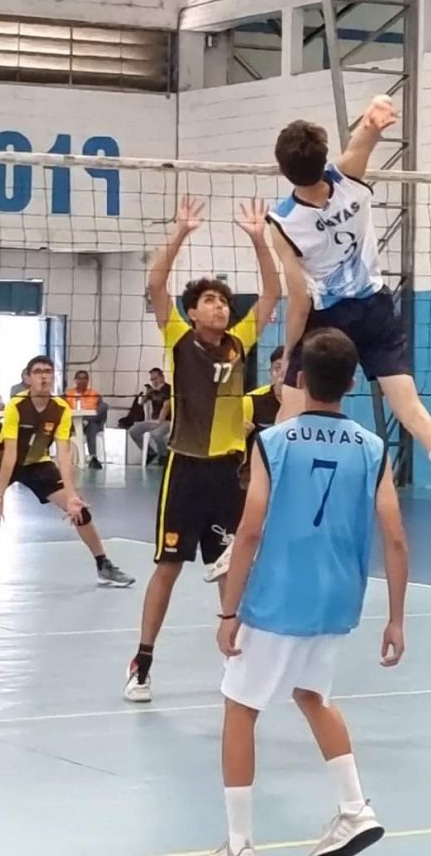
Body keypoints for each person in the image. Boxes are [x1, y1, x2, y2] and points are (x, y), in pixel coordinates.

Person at [266, 95, 431, 580]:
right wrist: (375, 118)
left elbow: (298, 300)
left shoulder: (283, 222)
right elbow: (363, 140)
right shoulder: (350, 180)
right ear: (322, 156)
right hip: (377, 309)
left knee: (286, 423)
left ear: (284, 169)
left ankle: (263, 525)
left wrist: (290, 352)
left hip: (329, 321)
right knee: (414, 413)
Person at [214, 328, 408, 856]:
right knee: (312, 695)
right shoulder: (373, 448)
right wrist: (395, 619)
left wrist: (229, 610)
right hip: (336, 600)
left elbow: (250, 530)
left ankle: (238, 844)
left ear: (299, 380)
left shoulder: (273, 442)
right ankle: (355, 809)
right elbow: (393, 535)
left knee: (239, 708)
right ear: (350, 383)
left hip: (278, 599)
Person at [124, 196, 281, 703]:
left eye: (221, 299)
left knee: (231, 569)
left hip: (226, 474)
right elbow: (155, 286)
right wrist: (181, 232)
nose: (218, 305)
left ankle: (235, 664)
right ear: (192, 313)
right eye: (208, 300)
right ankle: (142, 662)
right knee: (168, 569)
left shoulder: (238, 343)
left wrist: (260, 239)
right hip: (185, 470)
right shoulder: (178, 339)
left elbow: (273, 293)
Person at [0, 355, 134, 588]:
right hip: (3, 459)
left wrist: (72, 495)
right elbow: (10, 453)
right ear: (28, 377)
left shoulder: (61, 409)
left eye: (48, 371)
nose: (44, 376)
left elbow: (63, 454)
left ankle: (103, 565)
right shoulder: (17, 405)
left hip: (38, 463)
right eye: (38, 372)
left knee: (79, 511)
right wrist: (0, 495)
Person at [204, 345, 285, 584]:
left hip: (289, 485)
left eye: (286, 368)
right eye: (276, 369)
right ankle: (230, 608)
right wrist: (239, 434)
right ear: (270, 372)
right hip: (253, 484)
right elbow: (225, 444)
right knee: (243, 550)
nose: (281, 374)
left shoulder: (305, 403)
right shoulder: (252, 402)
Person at [124, 368, 172, 464]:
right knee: (133, 431)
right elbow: (141, 403)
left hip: (166, 421)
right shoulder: (152, 391)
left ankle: (164, 455)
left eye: (156, 378)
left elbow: (166, 406)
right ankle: (150, 453)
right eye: (152, 379)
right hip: (153, 421)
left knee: (156, 434)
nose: (154, 381)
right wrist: (147, 393)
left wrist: (159, 421)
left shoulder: (168, 389)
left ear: (162, 377)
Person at [64, 369, 108, 469]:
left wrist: (87, 419)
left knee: (95, 421)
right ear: (75, 380)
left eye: (84, 378)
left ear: (88, 380)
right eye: (79, 378)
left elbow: (101, 409)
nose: (82, 381)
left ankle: (93, 457)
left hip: (90, 423)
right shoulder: (68, 394)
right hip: (72, 424)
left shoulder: (94, 394)